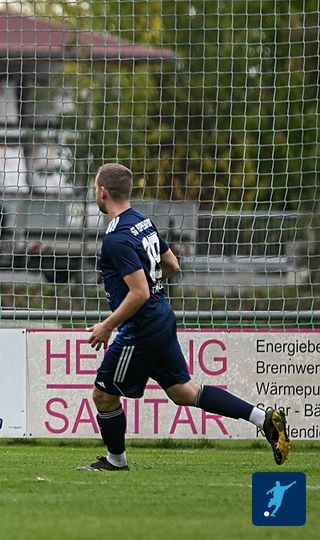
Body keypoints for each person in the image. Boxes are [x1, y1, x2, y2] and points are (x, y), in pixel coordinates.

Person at [79, 163, 290, 471]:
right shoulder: (142, 221)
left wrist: (106, 326)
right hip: (161, 316)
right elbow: (172, 265)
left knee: (103, 396)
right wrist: (149, 284)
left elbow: (139, 293)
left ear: (102, 192)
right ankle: (263, 418)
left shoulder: (116, 237)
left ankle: (116, 461)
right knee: (183, 391)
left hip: (140, 328)